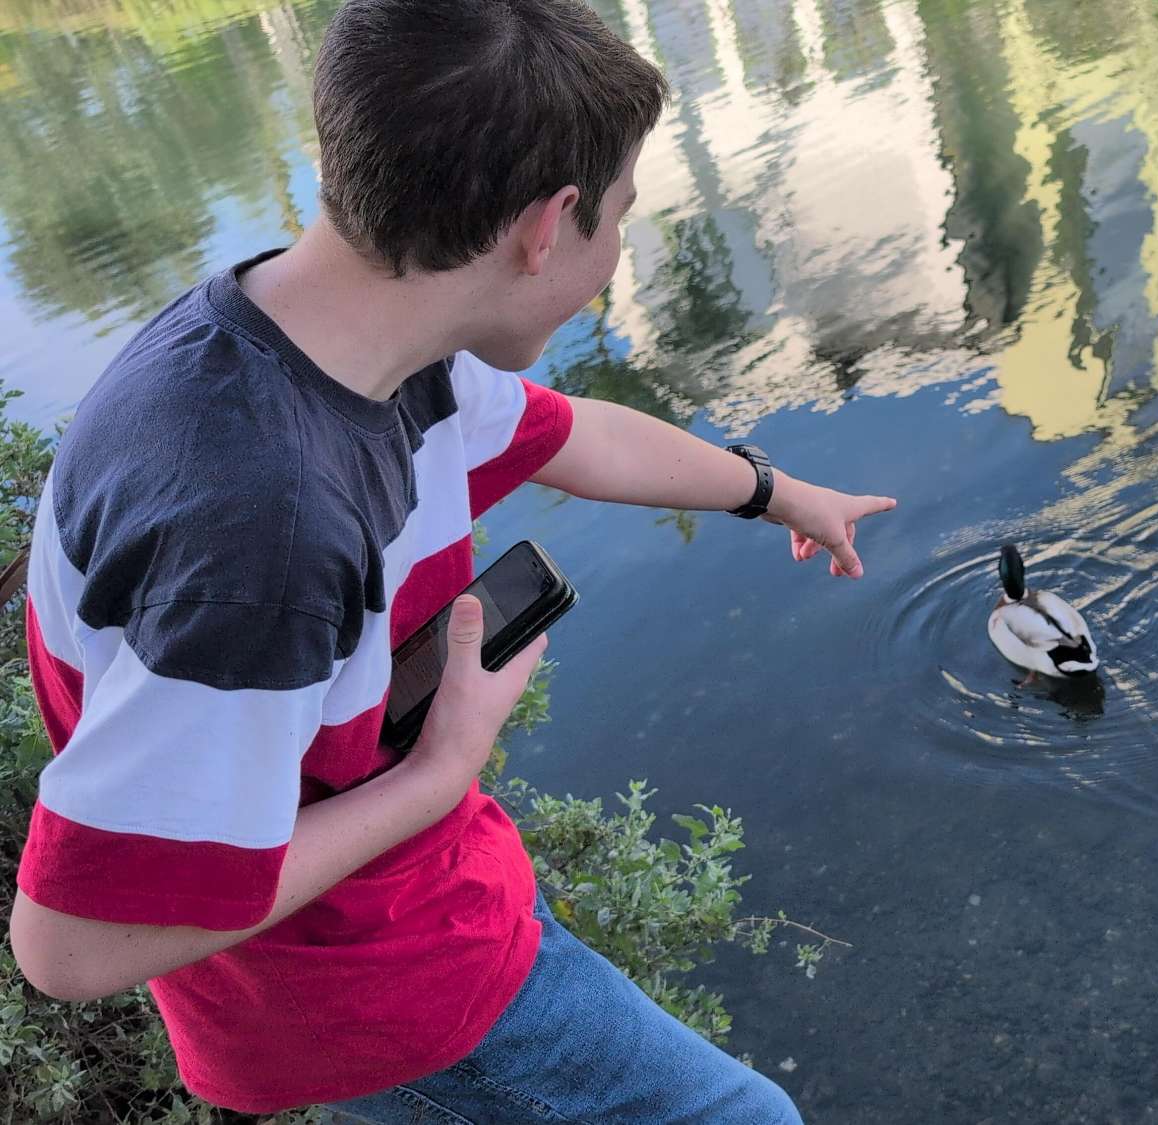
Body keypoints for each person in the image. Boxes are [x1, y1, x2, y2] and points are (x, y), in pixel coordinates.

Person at [4, 1, 891, 1120]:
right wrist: (437, 775)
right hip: (381, 999)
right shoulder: (263, 529)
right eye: (616, 217)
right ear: (546, 225)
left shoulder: (343, 340)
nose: (613, 254)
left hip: (421, 904)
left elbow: (579, 436)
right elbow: (73, 947)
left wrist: (778, 493)